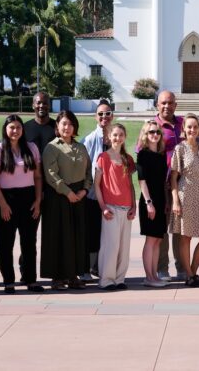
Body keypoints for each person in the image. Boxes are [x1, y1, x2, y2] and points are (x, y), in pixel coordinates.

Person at [0, 114, 44, 293]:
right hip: (5, 200)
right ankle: (8, 281)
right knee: (6, 242)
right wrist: (3, 205)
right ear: (5, 129)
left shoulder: (31, 148)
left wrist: (37, 200)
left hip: (28, 198)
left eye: (18, 127)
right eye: (11, 127)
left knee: (29, 241)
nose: (15, 131)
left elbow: (38, 176)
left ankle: (30, 279)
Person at [41, 110, 93, 289]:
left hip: (79, 196)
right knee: (58, 236)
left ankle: (73, 275)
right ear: (57, 126)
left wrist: (84, 190)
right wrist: (67, 192)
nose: (67, 127)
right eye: (63, 123)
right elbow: (50, 174)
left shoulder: (81, 147)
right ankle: (57, 276)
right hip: (58, 197)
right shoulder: (52, 147)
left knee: (76, 236)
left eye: (70, 124)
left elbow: (89, 173)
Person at [169, 114, 199, 287]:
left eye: (195, 127)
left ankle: (193, 271)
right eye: (189, 127)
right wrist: (175, 201)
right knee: (185, 237)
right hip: (184, 193)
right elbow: (173, 178)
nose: (192, 130)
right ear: (184, 129)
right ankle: (189, 275)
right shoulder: (180, 148)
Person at [95, 123, 137, 290]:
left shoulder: (128, 159)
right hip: (110, 208)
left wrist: (134, 206)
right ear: (109, 137)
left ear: (124, 137)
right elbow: (97, 185)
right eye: (115, 135)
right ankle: (106, 280)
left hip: (126, 208)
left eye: (120, 135)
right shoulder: (103, 158)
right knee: (110, 246)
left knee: (124, 247)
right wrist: (103, 207)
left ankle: (119, 279)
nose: (117, 138)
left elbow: (131, 185)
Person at [80, 99, 113, 281]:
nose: (104, 117)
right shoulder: (90, 140)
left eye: (107, 113)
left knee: (106, 234)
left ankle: (99, 267)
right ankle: (85, 268)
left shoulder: (116, 137)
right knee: (91, 233)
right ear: (96, 117)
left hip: (111, 195)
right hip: (93, 195)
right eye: (100, 114)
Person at [135, 121, 170, 287]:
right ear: (145, 135)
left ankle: (154, 275)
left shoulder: (162, 154)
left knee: (157, 239)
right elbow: (142, 181)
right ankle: (149, 277)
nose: (155, 135)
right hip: (149, 201)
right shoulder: (143, 154)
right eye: (151, 132)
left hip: (160, 200)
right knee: (150, 240)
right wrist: (149, 203)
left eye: (157, 132)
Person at [155, 90, 184, 280]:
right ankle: (162, 268)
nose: (167, 106)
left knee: (180, 227)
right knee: (162, 229)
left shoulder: (183, 124)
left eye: (170, 103)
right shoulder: (152, 126)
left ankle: (182, 267)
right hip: (161, 184)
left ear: (175, 104)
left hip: (183, 184)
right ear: (157, 104)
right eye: (163, 103)